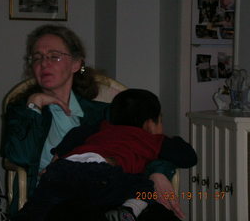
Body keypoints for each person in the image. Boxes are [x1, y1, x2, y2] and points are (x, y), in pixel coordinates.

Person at [2, 24, 184, 219]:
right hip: (52, 200)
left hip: (111, 192)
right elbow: (19, 156)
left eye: (54, 56)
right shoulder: (23, 111)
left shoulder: (103, 113)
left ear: (75, 64)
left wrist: (157, 173)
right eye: (37, 57)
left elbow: (145, 143)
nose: (44, 63)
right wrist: (34, 106)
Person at [12, 89, 197, 221]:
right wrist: (172, 140)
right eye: (160, 120)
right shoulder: (150, 139)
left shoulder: (100, 129)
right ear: (150, 124)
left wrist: (57, 158)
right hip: (102, 172)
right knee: (144, 186)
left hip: (62, 170)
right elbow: (188, 157)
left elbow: (76, 133)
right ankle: (128, 211)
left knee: (39, 206)